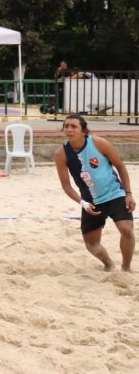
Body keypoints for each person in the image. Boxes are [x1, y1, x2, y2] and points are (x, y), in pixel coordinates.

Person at [54, 114, 135, 272]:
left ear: (83, 131)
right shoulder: (61, 154)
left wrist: (129, 193)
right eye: (66, 126)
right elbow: (66, 185)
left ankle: (126, 268)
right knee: (92, 246)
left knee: (127, 230)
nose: (69, 129)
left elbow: (120, 166)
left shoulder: (98, 143)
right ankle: (108, 264)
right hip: (91, 201)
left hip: (114, 194)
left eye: (74, 126)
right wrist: (82, 203)